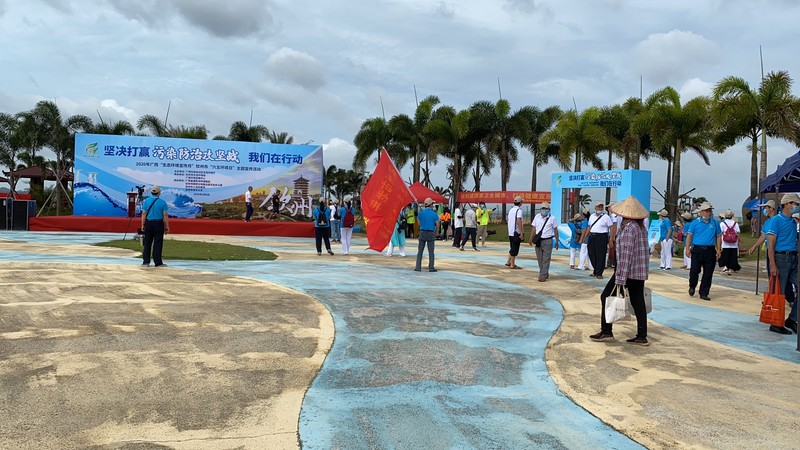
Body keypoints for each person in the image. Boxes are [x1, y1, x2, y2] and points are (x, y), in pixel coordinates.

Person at [590, 196, 651, 346]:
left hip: (628, 271)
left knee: (606, 296)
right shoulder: (640, 228)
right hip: (638, 271)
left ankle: (606, 331)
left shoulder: (629, 229)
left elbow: (625, 255)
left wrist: (620, 279)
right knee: (638, 301)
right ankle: (642, 335)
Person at [765, 193, 800, 334]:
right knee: (779, 292)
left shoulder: (793, 221)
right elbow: (771, 245)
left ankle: (792, 319)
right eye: (795, 204)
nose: (797, 206)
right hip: (781, 258)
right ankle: (775, 323)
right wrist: (772, 264)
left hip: (793, 258)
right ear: (787, 204)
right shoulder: (776, 221)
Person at [685, 202, 721, 301]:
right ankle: (692, 285)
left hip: (710, 250)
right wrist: (687, 248)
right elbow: (689, 236)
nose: (708, 213)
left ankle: (704, 292)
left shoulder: (715, 223)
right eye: (706, 211)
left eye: (710, 211)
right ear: (701, 212)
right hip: (697, 249)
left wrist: (719, 249)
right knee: (694, 271)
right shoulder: (695, 223)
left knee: (708, 273)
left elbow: (718, 236)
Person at [581, 201, 614, 279]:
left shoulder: (606, 217)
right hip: (592, 236)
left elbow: (611, 227)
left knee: (601, 255)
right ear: (595, 208)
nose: (600, 208)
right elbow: (589, 226)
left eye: (601, 207)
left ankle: (599, 273)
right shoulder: (592, 216)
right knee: (591, 254)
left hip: (602, 237)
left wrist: (611, 239)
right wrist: (585, 236)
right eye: (598, 207)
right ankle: (595, 270)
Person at [141, 185, 169, 267]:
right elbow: (165, 215)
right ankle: (158, 262)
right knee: (158, 243)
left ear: (151, 192)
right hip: (158, 223)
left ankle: (146, 262)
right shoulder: (162, 202)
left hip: (148, 223)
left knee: (147, 243)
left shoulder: (146, 201)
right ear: (159, 193)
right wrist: (166, 226)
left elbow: (144, 213)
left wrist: (142, 224)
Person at [529, 202, 558, 282]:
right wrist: (531, 238)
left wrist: (557, 240)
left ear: (549, 209)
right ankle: (545, 273)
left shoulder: (552, 218)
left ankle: (542, 275)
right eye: (542, 208)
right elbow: (534, 228)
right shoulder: (537, 217)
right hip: (538, 240)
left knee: (546, 259)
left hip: (547, 240)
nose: (544, 210)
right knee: (540, 259)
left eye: (545, 208)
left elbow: (555, 230)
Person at [748, 200, 777, 275]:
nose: (765, 210)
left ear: (771, 209)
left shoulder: (777, 220)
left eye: (766, 208)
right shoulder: (767, 222)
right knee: (770, 273)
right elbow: (763, 235)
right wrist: (754, 246)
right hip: (769, 249)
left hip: (777, 251)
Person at [414, 198, 440, 272]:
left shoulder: (421, 213)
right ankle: (431, 267)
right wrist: (436, 232)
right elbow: (437, 224)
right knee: (431, 251)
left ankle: (418, 267)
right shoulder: (434, 214)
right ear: (431, 205)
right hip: (431, 233)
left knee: (420, 251)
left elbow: (419, 223)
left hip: (422, 232)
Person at [718, 209, 741, 275]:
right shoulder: (735, 224)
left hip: (725, 243)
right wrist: (738, 241)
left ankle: (726, 267)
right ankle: (731, 268)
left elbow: (720, 233)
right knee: (733, 256)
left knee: (725, 256)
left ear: (725, 216)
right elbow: (738, 233)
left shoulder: (722, 223)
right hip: (734, 243)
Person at [506, 196, 524, 270]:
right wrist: (521, 232)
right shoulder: (519, 211)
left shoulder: (511, 210)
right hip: (516, 232)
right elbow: (518, 221)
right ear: (521, 202)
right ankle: (512, 264)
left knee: (512, 247)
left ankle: (508, 261)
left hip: (510, 232)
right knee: (515, 248)